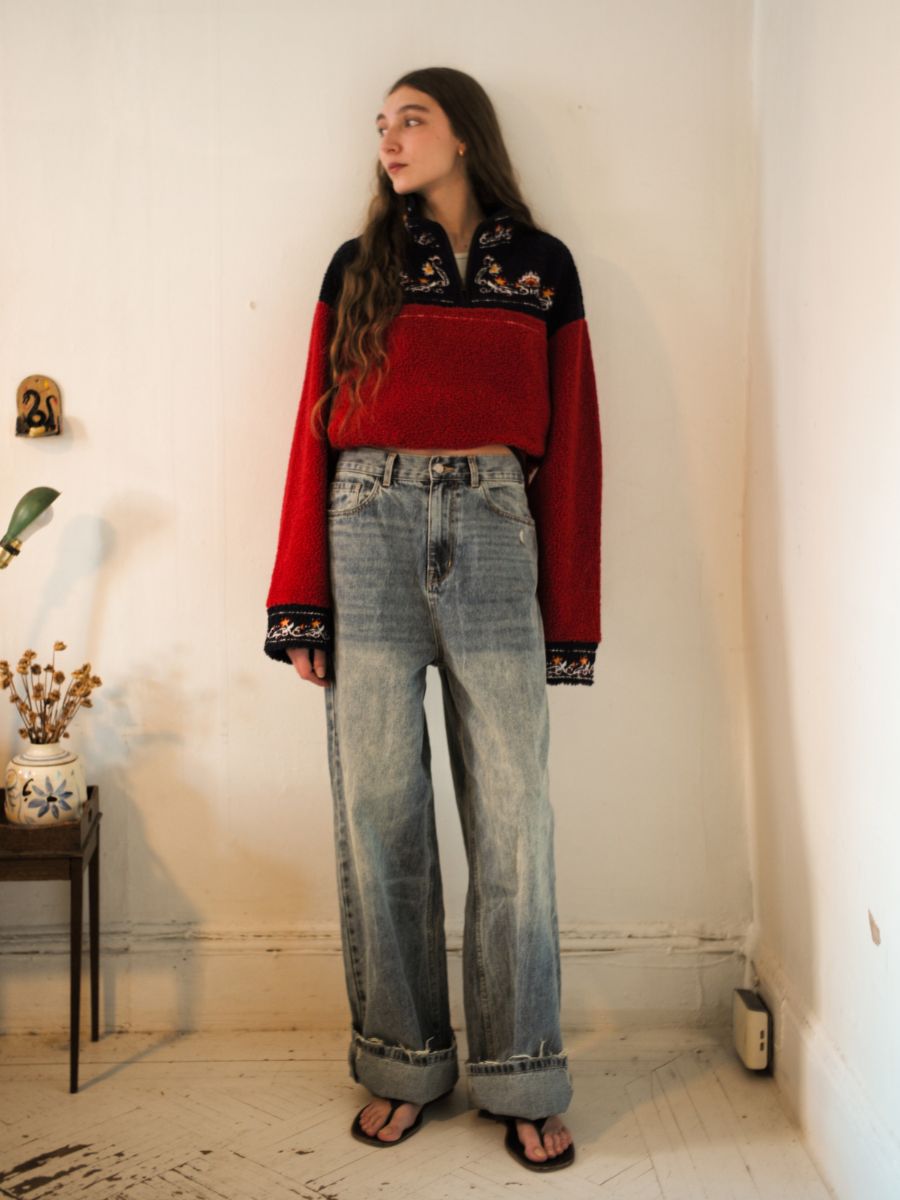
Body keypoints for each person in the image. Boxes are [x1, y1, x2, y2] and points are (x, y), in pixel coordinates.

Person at [264, 67, 602, 1172]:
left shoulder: (542, 269)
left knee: (515, 815)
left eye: (412, 119)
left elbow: (577, 444)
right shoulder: (357, 267)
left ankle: (521, 1072)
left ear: (465, 134)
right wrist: (299, 599)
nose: (390, 139)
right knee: (380, 809)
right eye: (382, 125)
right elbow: (311, 438)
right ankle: (403, 1057)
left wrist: (573, 611)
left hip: (500, 529)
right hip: (364, 525)